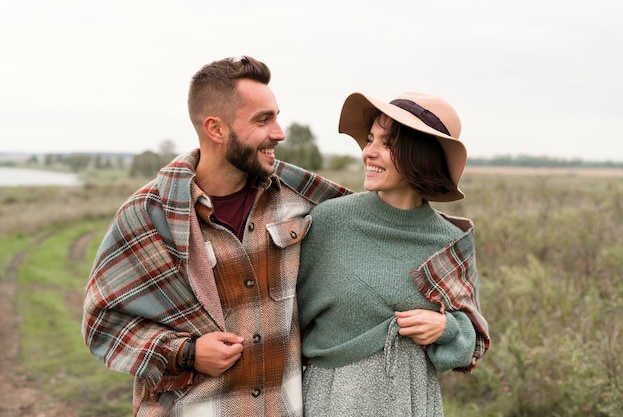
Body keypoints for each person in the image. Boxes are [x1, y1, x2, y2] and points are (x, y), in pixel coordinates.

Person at [81, 56, 350, 416]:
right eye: (263, 119)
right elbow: (102, 321)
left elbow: (380, 224)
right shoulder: (149, 213)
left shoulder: (298, 197)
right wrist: (185, 352)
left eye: (276, 116)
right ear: (216, 129)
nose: (279, 132)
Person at [297, 91, 491, 416]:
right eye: (369, 139)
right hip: (334, 401)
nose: (368, 153)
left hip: (414, 403)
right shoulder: (330, 221)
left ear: (421, 155)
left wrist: (446, 328)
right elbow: (285, 317)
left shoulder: (450, 241)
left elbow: (472, 340)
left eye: (386, 144)